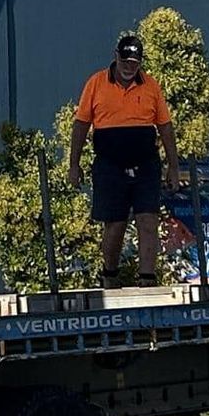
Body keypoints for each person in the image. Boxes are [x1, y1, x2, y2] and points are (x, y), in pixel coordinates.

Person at [67, 32, 179, 288]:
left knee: (148, 219)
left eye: (135, 62)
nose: (129, 66)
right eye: (125, 60)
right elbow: (81, 125)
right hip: (110, 164)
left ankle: (147, 278)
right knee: (115, 224)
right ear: (116, 57)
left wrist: (173, 166)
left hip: (146, 163)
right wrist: (74, 164)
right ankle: (110, 274)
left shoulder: (151, 85)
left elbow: (165, 126)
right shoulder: (96, 83)